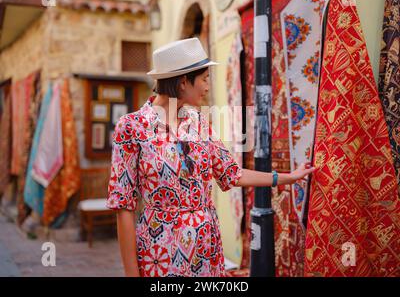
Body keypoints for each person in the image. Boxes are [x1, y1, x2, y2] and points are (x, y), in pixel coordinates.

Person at [106, 38, 315, 277]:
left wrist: (286, 177)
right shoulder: (132, 127)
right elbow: (123, 205)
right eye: (204, 78)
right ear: (184, 82)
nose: (207, 86)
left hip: (206, 252)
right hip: (160, 253)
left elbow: (231, 174)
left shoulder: (200, 122)